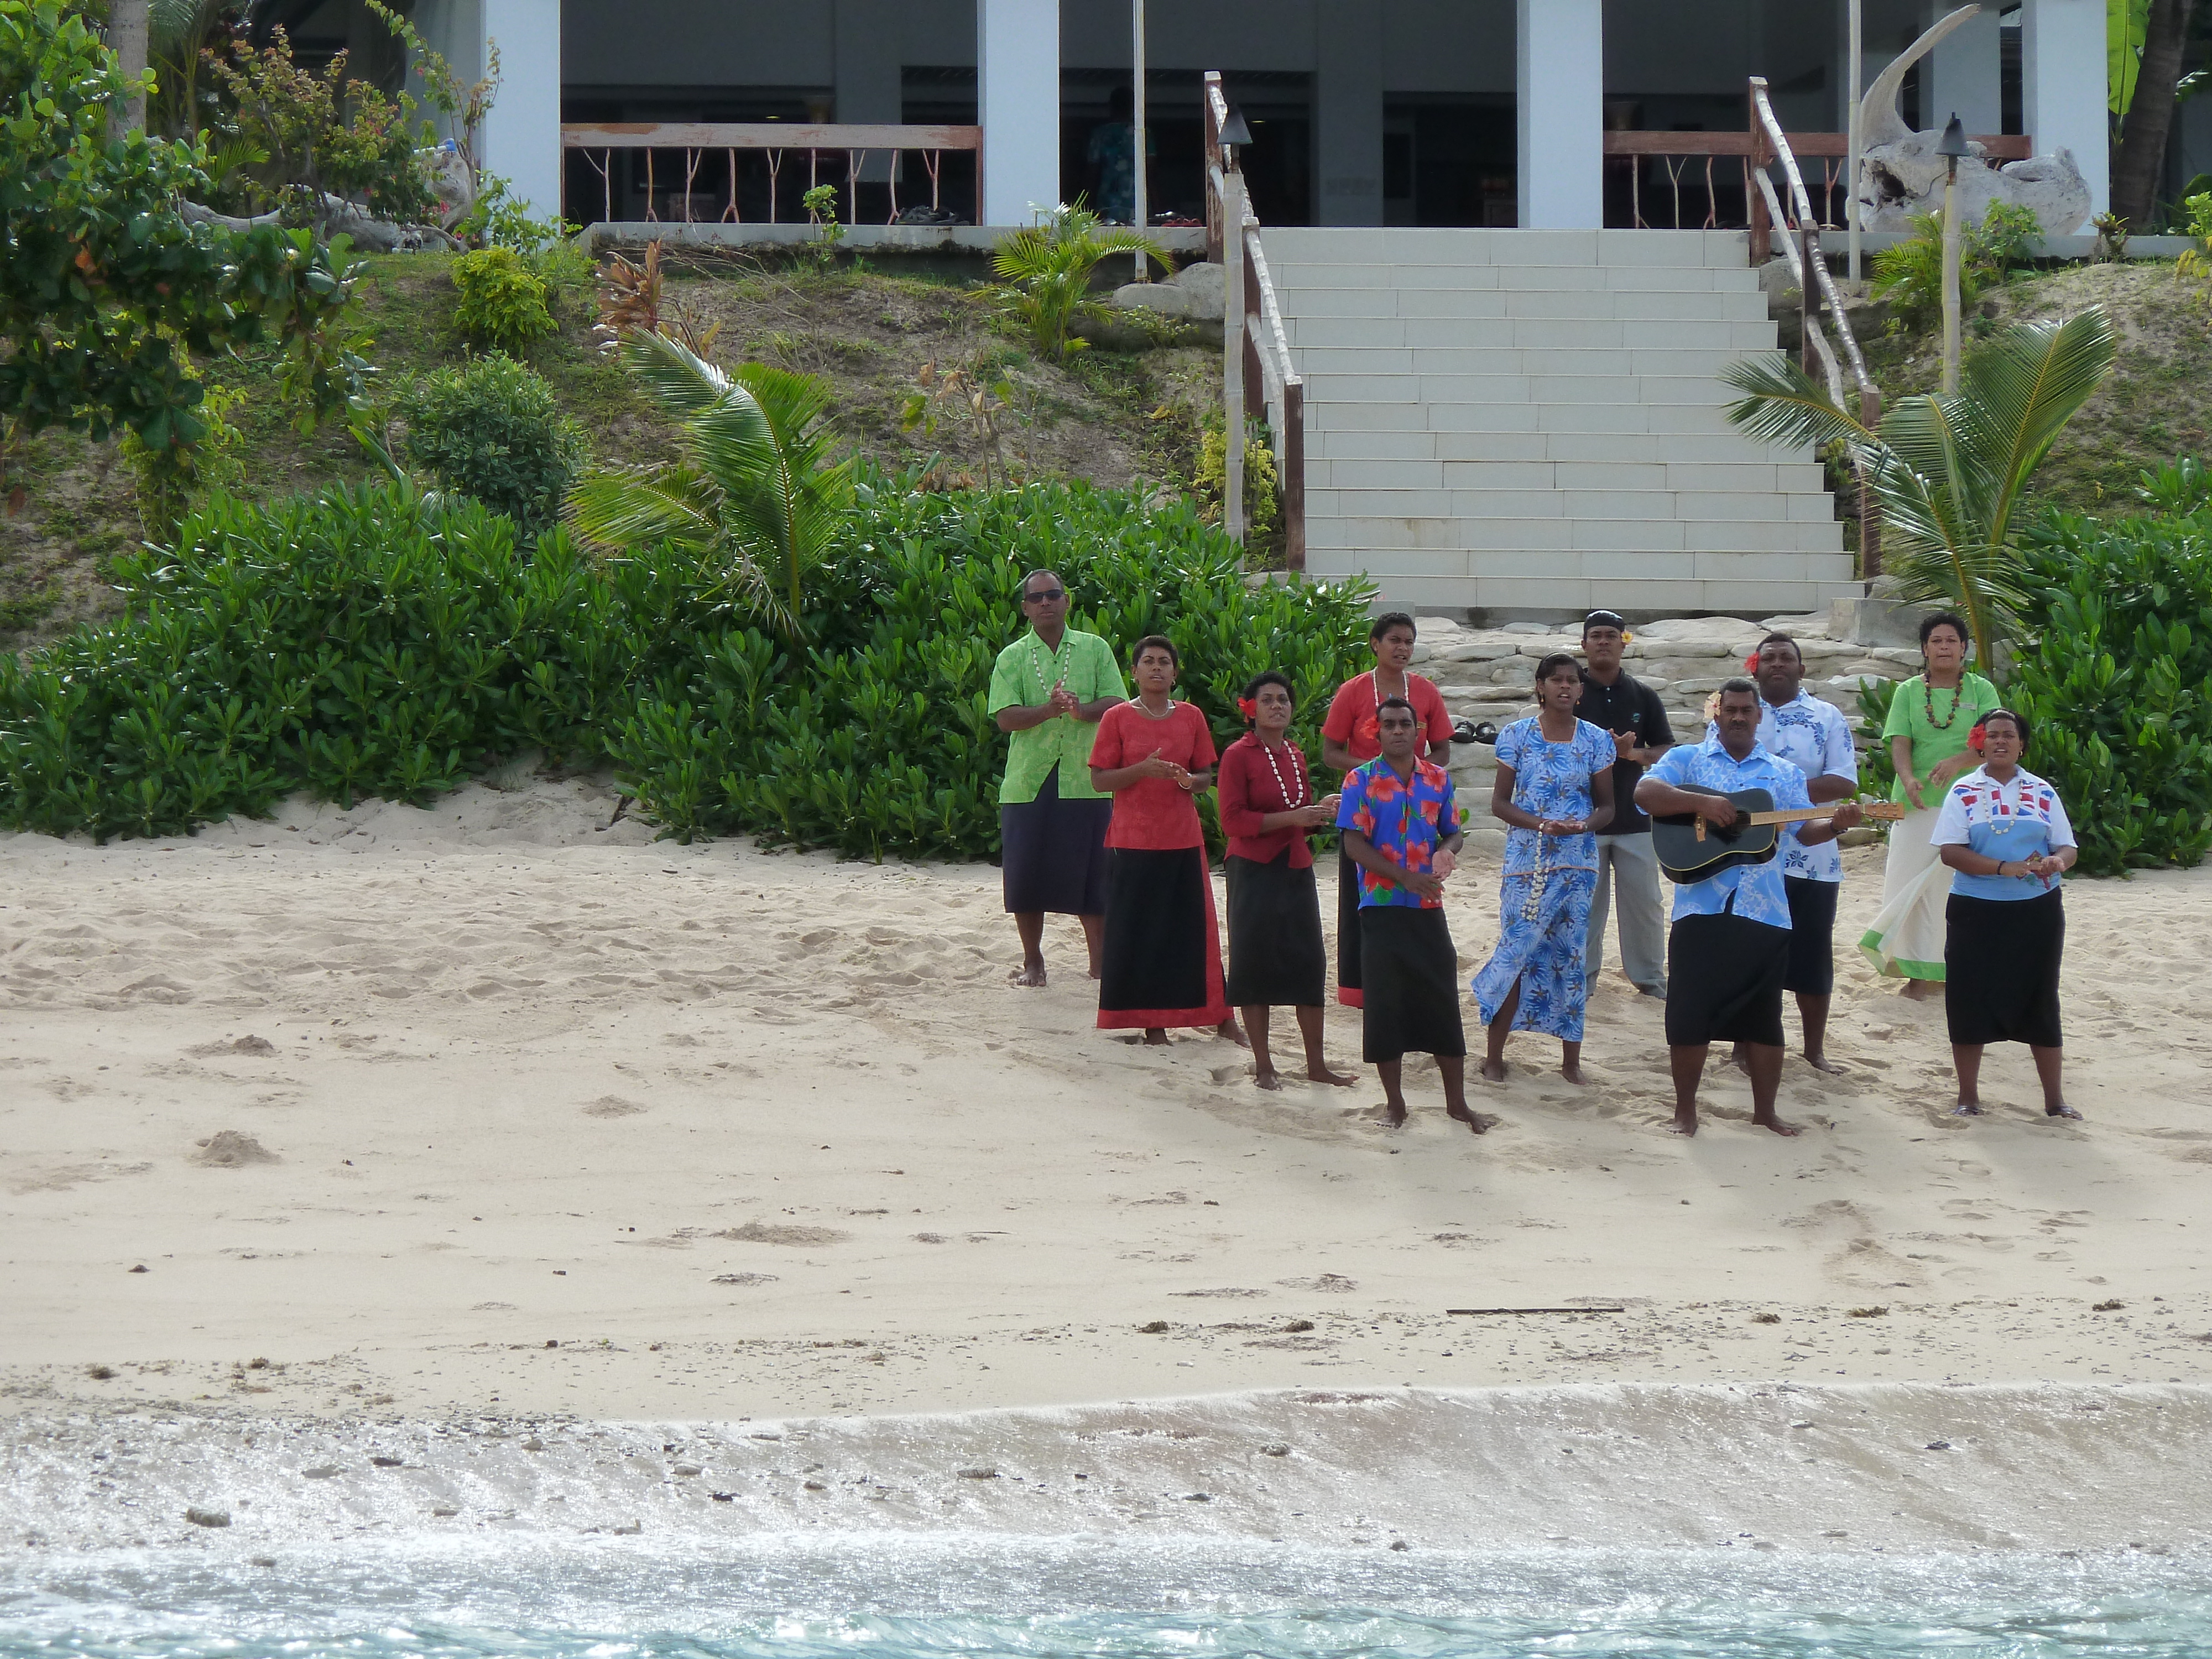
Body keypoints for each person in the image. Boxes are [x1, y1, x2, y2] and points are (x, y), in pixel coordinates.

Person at [1636, 681, 1863, 1137]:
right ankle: (1686, 1112)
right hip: (1700, 905)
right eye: (1731, 710)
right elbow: (1645, 794)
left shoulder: (1783, 773)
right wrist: (1702, 803)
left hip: (1765, 909)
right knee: (1689, 1012)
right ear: (1717, 715)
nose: (1739, 717)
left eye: (1747, 710)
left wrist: (1836, 825)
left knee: (1764, 1017)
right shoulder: (1687, 760)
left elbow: (1805, 830)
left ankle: (1765, 1112)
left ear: (1760, 717)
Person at [1468, 652, 1616, 1084]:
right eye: (1557, 681)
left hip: (1578, 863)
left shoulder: (1595, 740)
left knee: (1571, 958)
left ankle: (1571, 1062)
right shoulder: (1516, 735)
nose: (1565, 688)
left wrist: (1583, 825)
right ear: (1540, 686)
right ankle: (1494, 1055)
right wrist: (1540, 824)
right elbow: (1500, 803)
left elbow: (1607, 806)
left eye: (1573, 681)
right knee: (1516, 952)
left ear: (1581, 689)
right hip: (1526, 865)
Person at [1089, 635, 1241, 1046]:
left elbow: (1205, 775)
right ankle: (1152, 1024)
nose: (1156, 668)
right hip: (1132, 840)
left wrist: (1191, 782)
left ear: (1176, 673)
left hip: (1182, 838)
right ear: (1134, 672)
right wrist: (1141, 770)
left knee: (1196, 932)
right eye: (1148, 662)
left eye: (1164, 662)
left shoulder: (1191, 716)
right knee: (1142, 932)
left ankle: (1221, 1018)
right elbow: (1099, 779)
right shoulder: (1117, 718)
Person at [1336, 696, 1477, 1131]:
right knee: (1385, 1003)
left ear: (1419, 731)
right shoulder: (1359, 780)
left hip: (1428, 905)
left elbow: (1453, 834)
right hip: (1380, 907)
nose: (1398, 730)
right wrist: (1403, 877)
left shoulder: (1438, 780)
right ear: (1375, 732)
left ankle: (1457, 1103)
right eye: (1390, 724)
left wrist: (1446, 854)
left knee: (1442, 997)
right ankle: (1395, 1105)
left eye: (1406, 724)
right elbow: (1353, 844)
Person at [1931, 709, 2080, 1119]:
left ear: (2022, 744)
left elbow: (2066, 846)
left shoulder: (2043, 791)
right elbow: (1950, 852)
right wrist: (2003, 869)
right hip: (1975, 911)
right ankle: (1968, 1098)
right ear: (1980, 742)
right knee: (1967, 997)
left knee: (2041, 996)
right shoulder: (1963, 791)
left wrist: (2059, 863)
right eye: (1992, 735)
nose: (2000, 742)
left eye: (2009, 735)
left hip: (2037, 911)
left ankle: (2055, 1100)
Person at [987, 570, 1129, 987]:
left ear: (1067, 602)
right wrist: (1048, 711)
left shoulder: (1095, 648)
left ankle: (1100, 965)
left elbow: (1118, 701)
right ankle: (1034, 962)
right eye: (1037, 598)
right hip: (1028, 783)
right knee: (1025, 876)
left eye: (1053, 595)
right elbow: (1004, 718)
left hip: (1085, 778)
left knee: (1095, 878)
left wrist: (1081, 710)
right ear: (1026, 609)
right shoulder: (1011, 657)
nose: (1046, 603)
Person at [1726, 634, 1860, 1074]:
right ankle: (1742, 1046)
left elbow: (1842, 782)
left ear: (1803, 669)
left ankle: (1814, 1049)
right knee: (1748, 954)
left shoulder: (1828, 717)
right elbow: (1718, 772)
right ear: (1755, 667)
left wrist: (1778, 801)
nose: (1778, 664)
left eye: (1787, 658)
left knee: (1813, 955)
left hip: (1814, 855)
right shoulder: (1734, 713)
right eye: (1769, 658)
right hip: (1747, 858)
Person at [1217, 671, 1355, 1091]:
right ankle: (1264, 1066)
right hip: (1252, 869)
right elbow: (1232, 821)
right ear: (1251, 709)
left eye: (1284, 700)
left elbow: (1299, 816)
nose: (1278, 706)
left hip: (1295, 866)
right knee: (1254, 963)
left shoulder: (1295, 754)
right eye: (1268, 700)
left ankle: (1317, 1064)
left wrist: (1319, 812)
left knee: (1308, 964)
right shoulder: (1237, 755)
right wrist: (1295, 818)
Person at [1860, 612, 2001, 996]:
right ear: (1924, 649)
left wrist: (1958, 762)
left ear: (1964, 649)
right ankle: (1917, 975)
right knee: (1908, 887)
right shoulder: (1907, 691)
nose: (1944, 647)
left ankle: (1955, 971)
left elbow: (1994, 742)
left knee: (1951, 890)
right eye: (1936, 641)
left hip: (1972, 805)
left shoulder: (1981, 690)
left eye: (1951, 641)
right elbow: (1900, 742)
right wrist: (1908, 779)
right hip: (1916, 805)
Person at [1321, 612, 1455, 1010]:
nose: (1402, 648)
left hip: (1415, 803)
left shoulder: (1426, 690)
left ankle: (1412, 979)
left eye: (1409, 642)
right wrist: (1376, 777)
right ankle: (1359, 989)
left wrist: (1414, 776)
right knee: (1360, 890)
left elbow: (1444, 749)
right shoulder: (1354, 690)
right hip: (1365, 802)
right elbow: (1330, 753)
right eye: (1394, 640)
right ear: (1374, 644)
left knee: (1418, 891)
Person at [1574, 609, 1674, 999]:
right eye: (1596, 635)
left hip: (1636, 819)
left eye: (1611, 635)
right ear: (1584, 645)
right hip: (1584, 819)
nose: (1603, 641)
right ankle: (1582, 981)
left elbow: (1666, 749)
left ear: (1623, 643)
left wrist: (1635, 756)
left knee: (1646, 906)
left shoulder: (1643, 695)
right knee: (1584, 908)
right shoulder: (1570, 691)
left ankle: (1650, 980)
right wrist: (1603, 752)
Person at [1084, 85, 1155, 226]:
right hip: (1137, 205)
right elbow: (1152, 173)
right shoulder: (1143, 133)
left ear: (1111, 107)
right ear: (1133, 107)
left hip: (1107, 205)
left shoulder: (1100, 135)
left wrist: (1087, 205)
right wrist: (1158, 206)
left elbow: (1092, 173)